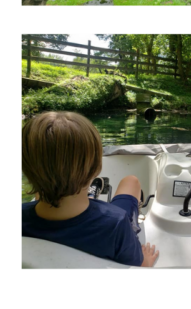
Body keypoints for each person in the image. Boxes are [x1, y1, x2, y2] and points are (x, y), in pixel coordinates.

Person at [22, 111, 159, 267]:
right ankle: (94, 198)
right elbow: (135, 267)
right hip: (106, 223)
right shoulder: (116, 223)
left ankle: (89, 196)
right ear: (95, 168)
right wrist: (146, 262)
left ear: (27, 171)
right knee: (131, 181)